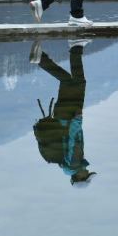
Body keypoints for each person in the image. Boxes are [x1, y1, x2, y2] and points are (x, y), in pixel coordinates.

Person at [30, 39, 97, 185]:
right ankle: (69, 50)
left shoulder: (75, 163)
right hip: (62, 117)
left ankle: (72, 48)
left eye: (86, 175)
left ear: (79, 177)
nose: (87, 171)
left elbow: (73, 139)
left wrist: (77, 119)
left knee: (76, 82)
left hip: (70, 116)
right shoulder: (64, 165)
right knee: (71, 81)